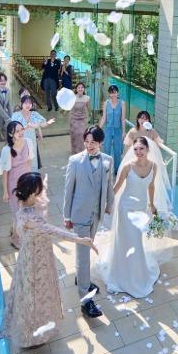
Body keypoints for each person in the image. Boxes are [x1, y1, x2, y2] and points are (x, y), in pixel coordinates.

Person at [0, 172, 97, 348]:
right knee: (37, 294)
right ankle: (33, 336)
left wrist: (44, 182)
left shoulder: (22, 204)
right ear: (31, 194)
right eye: (39, 191)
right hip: (37, 260)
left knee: (30, 294)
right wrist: (82, 240)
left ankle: (35, 328)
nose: (41, 194)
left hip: (30, 254)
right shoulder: (32, 219)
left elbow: (41, 204)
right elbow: (55, 231)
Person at [98, 136, 172, 297]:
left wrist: (152, 205)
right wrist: (108, 204)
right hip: (126, 208)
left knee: (136, 240)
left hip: (141, 209)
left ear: (148, 149)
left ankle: (137, 273)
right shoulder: (128, 166)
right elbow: (116, 187)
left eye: (141, 149)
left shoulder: (154, 166)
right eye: (135, 149)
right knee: (126, 240)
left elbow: (151, 186)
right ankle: (122, 274)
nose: (138, 152)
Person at [63, 126, 115, 319]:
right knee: (83, 257)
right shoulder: (75, 161)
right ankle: (86, 302)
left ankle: (81, 278)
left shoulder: (108, 160)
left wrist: (109, 204)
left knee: (86, 253)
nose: (89, 145)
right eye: (86, 141)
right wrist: (67, 216)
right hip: (79, 215)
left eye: (93, 142)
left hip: (96, 214)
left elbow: (109, 184)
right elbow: (68, 190)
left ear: (100, 142)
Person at [0, 120, 30, 247]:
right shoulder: (7, 150)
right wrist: (5, 192)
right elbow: (4, 172)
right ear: (11, 134)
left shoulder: (28, 142)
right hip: (13, 185)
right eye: (17, 131)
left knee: (22, 210)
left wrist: (31, 181)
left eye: (22, 129)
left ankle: (13, 229)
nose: (21, 132)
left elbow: (28, 162)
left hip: (25, 182)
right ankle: (15, 238)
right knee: (18, 213)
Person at [11, 95, 53, 170]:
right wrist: (27, 127)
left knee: (32, 160)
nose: (28, 105)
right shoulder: (16, 115)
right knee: (22, 161)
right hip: (20, 142)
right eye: (26, 103)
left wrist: (48, 123)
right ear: (21, 103)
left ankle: (32, 175)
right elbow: (12, 129)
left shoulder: (34, 114)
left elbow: (41, 124)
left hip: (32, 142)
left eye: (30, 103)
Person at [100, 85, 126, 171]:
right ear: (109, 94)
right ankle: (106, 168)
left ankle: (117, 169)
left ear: (117, 93)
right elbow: (104, 117)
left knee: (117, 150)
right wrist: (99, 128)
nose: (113, 95)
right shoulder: (106, 103)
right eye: (111, 93)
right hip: (108, 129)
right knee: (106, 149)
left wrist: (124, 132)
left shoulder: (122, 103)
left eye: (114, 92)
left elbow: (123, 119)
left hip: (118, 129)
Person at [69, 82, 91, 154]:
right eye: (79, 87)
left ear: (84, 89)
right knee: (75, 134)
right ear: (76, 89)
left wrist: (90, 113)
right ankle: (75, 151)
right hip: (74, 118)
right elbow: (68, 107)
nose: (80, 89)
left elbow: (88, 107)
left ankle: (81, 150)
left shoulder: (87, 98)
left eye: (82, 87)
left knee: (82, 133)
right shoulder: (72, 97)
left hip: (82, 118)